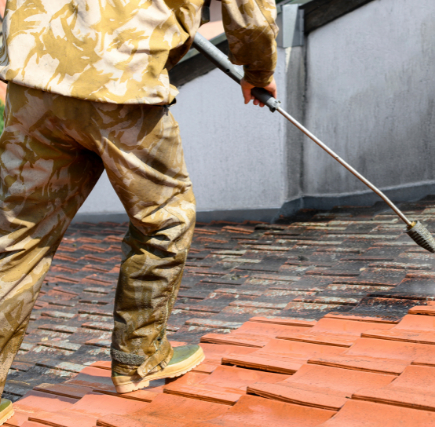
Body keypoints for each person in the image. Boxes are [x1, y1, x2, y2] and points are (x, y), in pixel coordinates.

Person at [0, 0, 278, 422]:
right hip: (119, 82)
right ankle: (139, 356)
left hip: (35, 73)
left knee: (16, 239)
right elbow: (251, 13)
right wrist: (258, 72)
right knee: (166, 218)